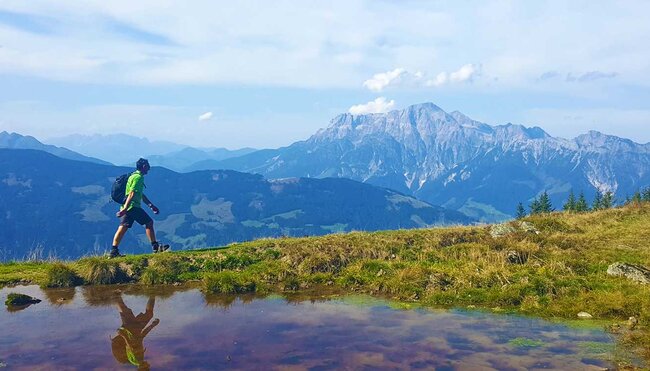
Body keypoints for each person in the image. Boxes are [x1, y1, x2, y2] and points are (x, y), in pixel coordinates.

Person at [110, 158, 168, 258]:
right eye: (148, 167)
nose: (149, 169)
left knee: (123, 227)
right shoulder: (138, 178)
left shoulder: (132, 176)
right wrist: (126, 209)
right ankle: (155, 247)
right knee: (149, 223)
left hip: (127, 206)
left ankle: (113, 251)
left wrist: (151, 205)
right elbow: (132, 194)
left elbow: (139, 194)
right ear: (144, 166)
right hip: (132, 207)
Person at [111, 295, 160, 370]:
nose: (149, 365)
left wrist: (123, 335)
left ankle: (114, 294)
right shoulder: (137, 361)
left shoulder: (138, 360)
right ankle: (152, 294)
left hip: (130, 330)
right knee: (148, 314)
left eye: (148, 367)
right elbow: (141, 338)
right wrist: (152, 325)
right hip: (136, 330)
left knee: (125, 311)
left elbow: (130, 347)